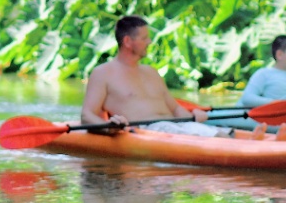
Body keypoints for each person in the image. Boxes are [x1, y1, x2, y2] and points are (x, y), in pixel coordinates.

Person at [82, 16, 220, 136]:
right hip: (148, 131)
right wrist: (109, 127)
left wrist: (193, 117)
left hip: (177, 126)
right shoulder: (103, 73)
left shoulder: (151, 72)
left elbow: (175, 109)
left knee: (223, 135)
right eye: (144, 38)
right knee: (207, 138)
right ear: (128, 41)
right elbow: (87, 115)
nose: (149, 42)